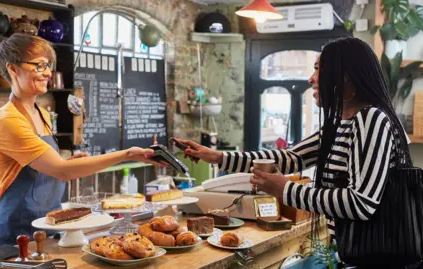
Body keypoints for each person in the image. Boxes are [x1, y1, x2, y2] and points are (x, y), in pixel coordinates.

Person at [175, 37, 414, 267]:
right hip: (355, 255)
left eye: (319, 69)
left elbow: (361, 203)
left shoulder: (371, 120)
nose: (311, 79)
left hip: (380, 261)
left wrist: (285, 190)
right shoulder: (342, 124)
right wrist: (218, 157)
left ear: (345, 78)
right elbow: (290, 159)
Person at [0, 34, 165, 250]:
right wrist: (127, 155)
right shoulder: (8, 120)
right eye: (39, 66)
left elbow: (48, 166)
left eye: (48, 66)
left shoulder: (42, 114)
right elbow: (62, 171)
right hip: (13, 238)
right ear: (13, 69)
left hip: (48, 230)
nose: (48, 73)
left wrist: (68, 161)